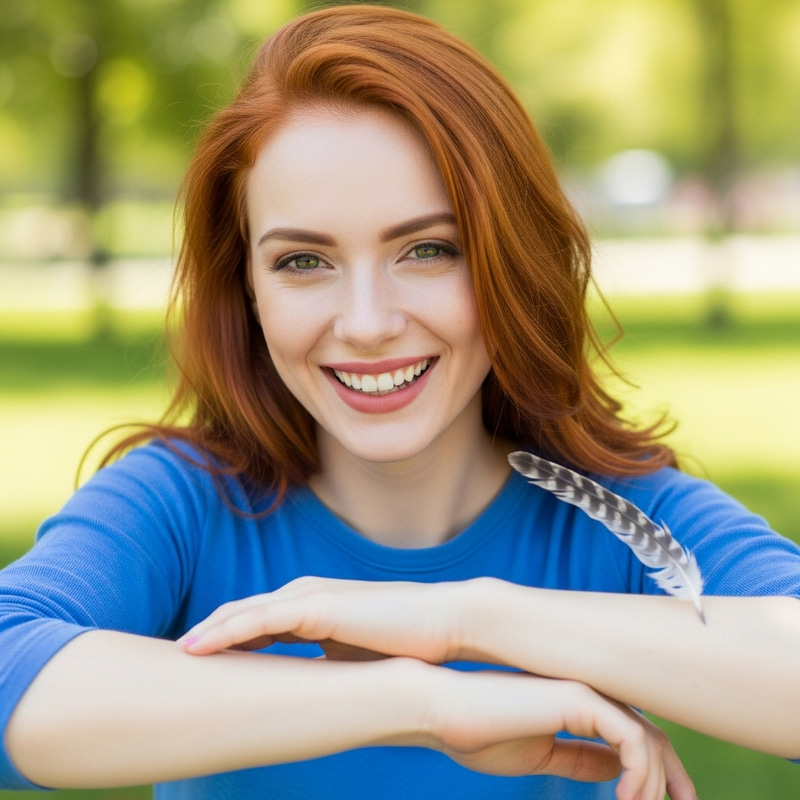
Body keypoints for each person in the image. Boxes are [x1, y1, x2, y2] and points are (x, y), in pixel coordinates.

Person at [1, 5, 798, 798]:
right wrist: (416, 701)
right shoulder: (184, 503)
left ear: (508, 260)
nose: (368, 325)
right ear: (246, 285)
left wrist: (469, 620)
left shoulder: (606, 513)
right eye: (304, 261)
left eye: (427, 250)